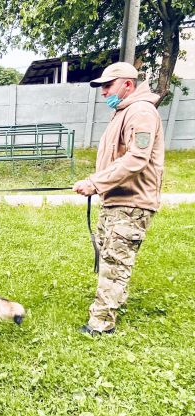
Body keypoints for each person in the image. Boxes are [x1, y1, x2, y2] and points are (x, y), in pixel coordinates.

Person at [73, 62, 164, 336]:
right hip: (117, 200)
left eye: (108, 86)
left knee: (114, 261)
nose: (103, 92)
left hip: (132, 203)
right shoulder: (124, 111)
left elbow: (137, 159)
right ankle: (114, 300)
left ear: (127, 84)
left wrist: (94, 183)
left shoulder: (141, 112)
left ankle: (101, 324)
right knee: (109, 253)